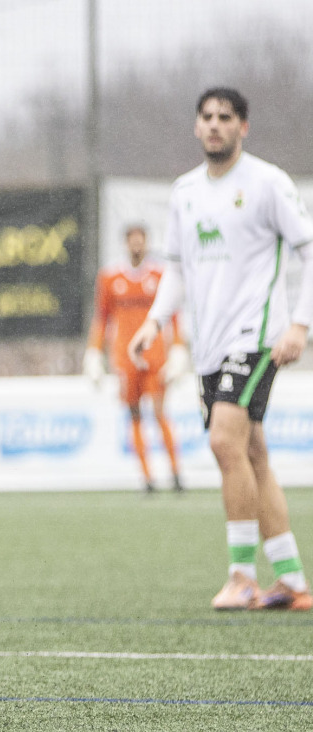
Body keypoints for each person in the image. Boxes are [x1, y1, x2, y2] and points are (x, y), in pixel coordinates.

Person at [130, 87, 313, 612]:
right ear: (196, 127)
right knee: (252, 452)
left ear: (243, 127)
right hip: (209, 347)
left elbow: (307, 248)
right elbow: (178, 268)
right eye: (206, 117)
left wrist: (299, 325)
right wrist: (154, 322)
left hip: (256, 337)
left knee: (223, 442)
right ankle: (292, 581)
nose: (214, 125)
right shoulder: (184, 192)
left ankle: (241, 576)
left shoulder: (266, 183)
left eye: (225, 118)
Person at [84, 224, 189, 493]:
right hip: (124, 357)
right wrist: (95, 352)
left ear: (147, 243)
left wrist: (178, 349)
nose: (136, 246)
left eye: (140, 240)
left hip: (155, 355)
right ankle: (146, 477)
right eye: (132, 241)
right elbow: (102, 318)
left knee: (159, 410)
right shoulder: (110, 278)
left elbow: (174, 316)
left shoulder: (160, 275)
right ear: (125, 244)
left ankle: (176, 473)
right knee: (134, 414)